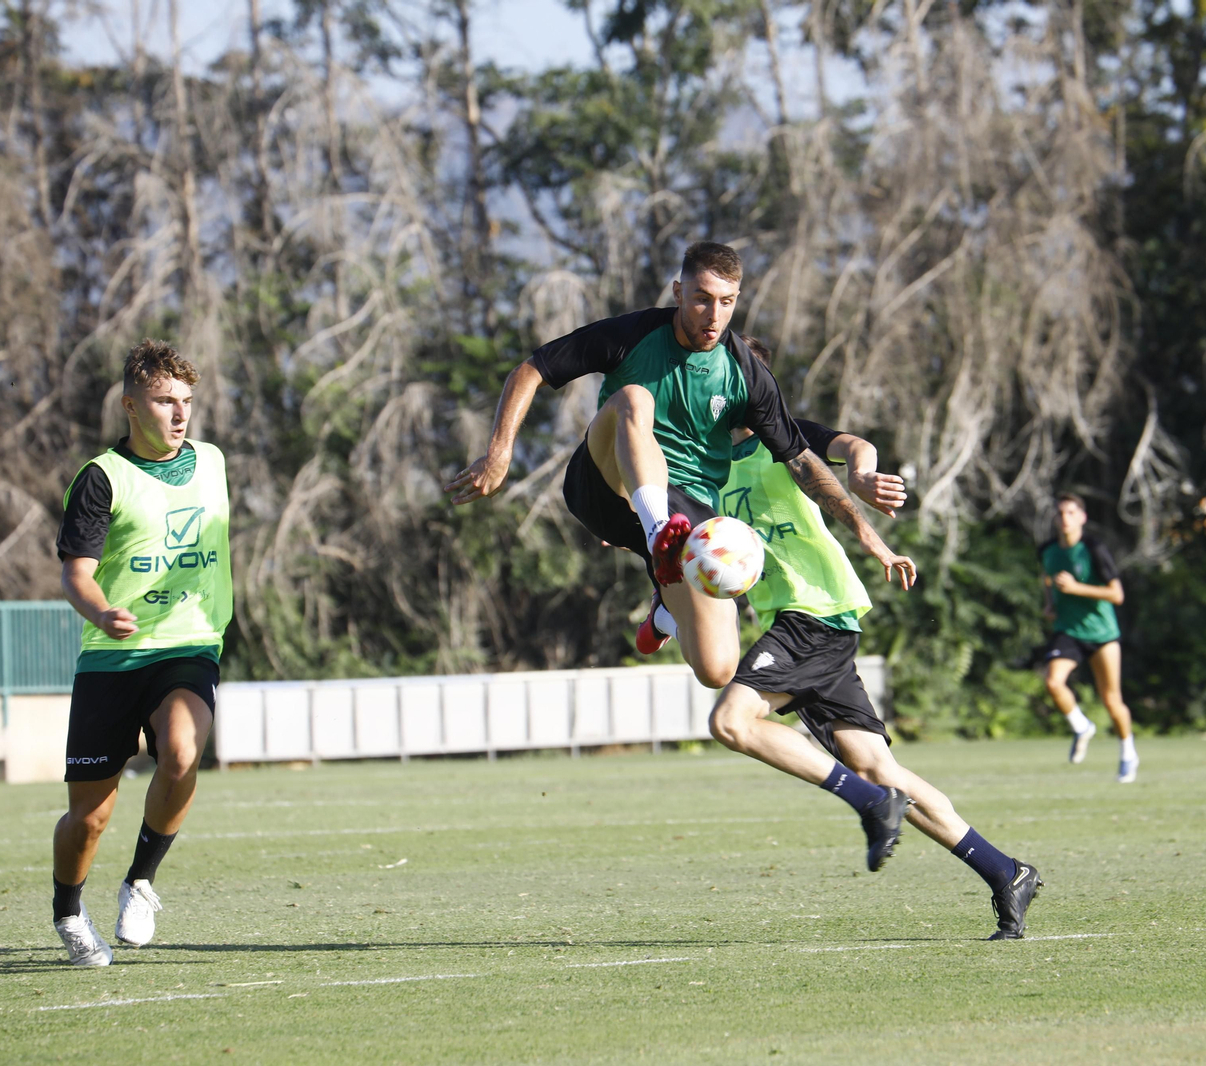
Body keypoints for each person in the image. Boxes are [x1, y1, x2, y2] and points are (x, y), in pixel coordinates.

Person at [445, 241, 912, 693]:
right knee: (634, 398)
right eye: (702, 298)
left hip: (687, 509)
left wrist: (868, 535)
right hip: (605, 483)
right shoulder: (632, 334)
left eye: (726, 302)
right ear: (677, 292)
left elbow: (804, 463)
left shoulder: (747, 375)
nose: (714, 315)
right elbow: (532, 370)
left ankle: (665, 611)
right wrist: (499, 453)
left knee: (717, 669)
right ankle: (659, 537)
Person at [707, 338, 1042, 938]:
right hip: (806, 622)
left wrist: (861, 475)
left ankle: (865, 803)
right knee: (879, 768)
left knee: (732, 721)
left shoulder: (783, 434)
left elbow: (854, 445)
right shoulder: (704, 457)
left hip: (813, 613)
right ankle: (1005, 871)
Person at [50, 339, 233, 966]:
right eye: (163, 401)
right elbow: (76, 573)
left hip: (188, 644)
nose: (179, 413)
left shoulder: (212, 462)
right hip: (111, 657)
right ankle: (68, 911)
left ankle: (140, 882)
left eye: (186, 400)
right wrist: (102, 611)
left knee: (182, 753)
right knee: (89, 818)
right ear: (131, 406)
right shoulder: (102, 477)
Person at [1038, 493, 1138, 783]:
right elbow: (1047, 578)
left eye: (1071, 513)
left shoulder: (1093, 548)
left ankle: (1128, 753)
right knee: (1053, 682)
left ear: (1082, 517)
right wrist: (1049, 603)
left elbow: (1116, 594)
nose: (1065, 519)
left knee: (1111, 700)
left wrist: (1075, 588)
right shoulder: (1047, 550)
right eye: (1060, 513)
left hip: (1102, 634)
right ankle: (1081, 726)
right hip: (1068, 630)